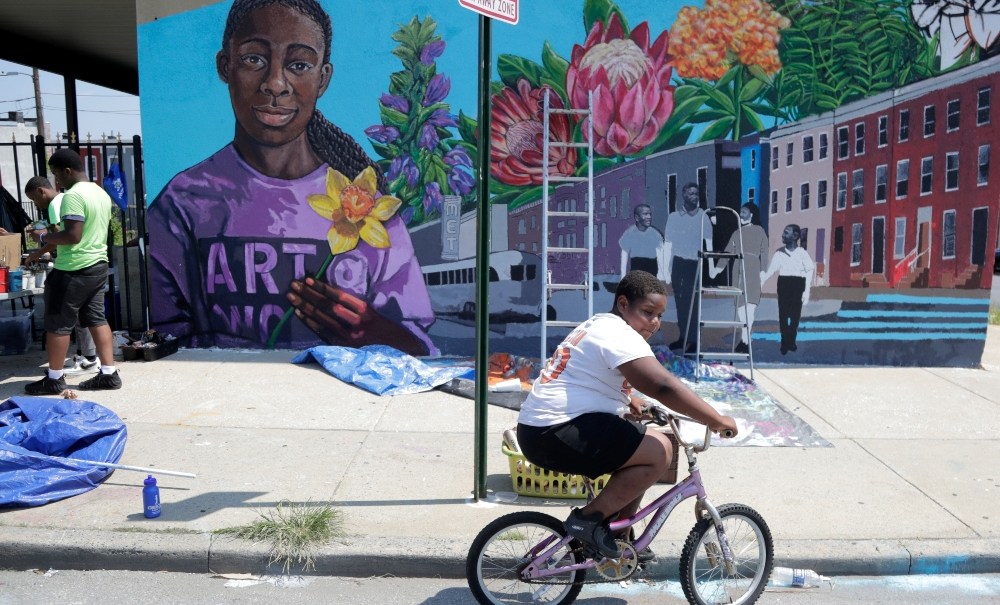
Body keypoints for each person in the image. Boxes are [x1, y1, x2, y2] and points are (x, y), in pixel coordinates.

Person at [148, 0, 436, 355]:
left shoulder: (365, 209)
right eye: (254, 59)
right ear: (225, 66)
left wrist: (372, 333)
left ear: (323, 78)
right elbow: (165, 343)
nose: (275, 83)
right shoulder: (182, 204)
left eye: (299, 64)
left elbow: (422, 349)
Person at [517, 270, 738, 559]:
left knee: (637, 449)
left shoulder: (598, 324)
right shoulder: (618, 335)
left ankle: (618, 536)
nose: (655, 323)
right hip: (557, 431)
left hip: (540, 429)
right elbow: (662, 385)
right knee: (660, 450)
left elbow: (587, 374)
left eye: (659, 315)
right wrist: (716, 420)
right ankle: (590, 521)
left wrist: (630, 400)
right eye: (648, 313)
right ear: (623, 304)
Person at [24, 149, 122, 395]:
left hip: (73, 269)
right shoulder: (100, 193)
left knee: (58, 324)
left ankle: (55, 378)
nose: (57, 180)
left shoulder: (73, 196)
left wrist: (43, 236)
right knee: (97, 319)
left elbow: (72, 235)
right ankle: (109, 373)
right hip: (97, 265)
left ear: (67, 171)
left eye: (57, 174)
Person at [23, 176, 99, 374]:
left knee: (60, 321)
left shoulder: (56, 204)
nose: (35, 204)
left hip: (71, 266)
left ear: (42, 191)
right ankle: (90, 359)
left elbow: (60, 236)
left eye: (34, 199)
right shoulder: (67, 199)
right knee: (90, 315)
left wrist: (39, 243)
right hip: (90, 263)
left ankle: (60, 372)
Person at [708, 202, 769, 354]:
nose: (741, 214)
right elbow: (728, 252)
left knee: (751, 306)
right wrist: (717, 269)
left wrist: (763, 272)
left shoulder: (759, 231)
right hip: (738, 270)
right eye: (740, 211)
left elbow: (765, 252)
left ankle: (745, 340)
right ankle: (744, 339)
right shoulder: (737, 233)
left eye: (744, 211)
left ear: (752, 214)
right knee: (741, 307)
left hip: (753, 269)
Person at [664, 183, 713, 352]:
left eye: (696, 193)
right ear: (684, 196)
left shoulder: (703, 216)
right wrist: (666, 268)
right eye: (691, 193)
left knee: (694, 301)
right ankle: (683, 337)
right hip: (678, 263)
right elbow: (668, 243)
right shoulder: (673, 217)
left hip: (695, 263)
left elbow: (709, 242)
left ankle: (694, 341)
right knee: (680, 302)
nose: (695, 196)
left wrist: (711, 267)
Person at [760, 223, 815, 355]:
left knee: (795, 316)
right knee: (783, 315)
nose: (783, 235)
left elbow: (809, 270)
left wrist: (806, 291)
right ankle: (785, 342)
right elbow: (772, 270)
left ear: (795, 236)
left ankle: (791, 341)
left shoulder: (802, 253)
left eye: (786, 232)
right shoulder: (779, 253)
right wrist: (761, 281)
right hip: (784, 283)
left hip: (798, 283)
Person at [619, 204, 664, 277]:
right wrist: (623, 276)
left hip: (652, 271)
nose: (649, 217)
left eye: (650, 214)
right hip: (636, 271)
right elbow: (624, 255)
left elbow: (661, 257)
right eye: (645, 214)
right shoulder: (629, 233)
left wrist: (662, 276)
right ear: (637, 217)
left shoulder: (656, 234)